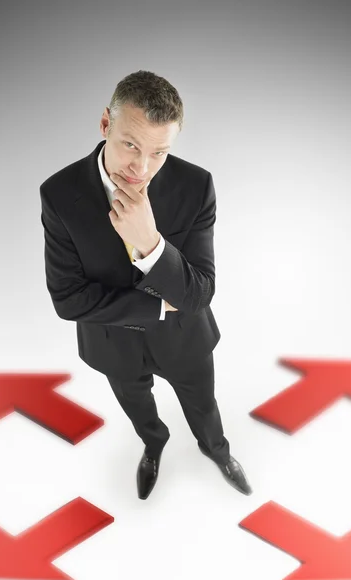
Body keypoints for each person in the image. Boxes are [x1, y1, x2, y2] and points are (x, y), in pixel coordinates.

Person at [39, 70, 252, 500]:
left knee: (205, 408)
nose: (142, 167)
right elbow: (67, 299)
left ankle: (217, 451)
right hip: (112, 345)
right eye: (130, 144)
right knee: (138, 409)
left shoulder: (196, 186)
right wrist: (157, 307)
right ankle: (154, 445)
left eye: (159, 152)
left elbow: (199, 293)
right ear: (105, 125)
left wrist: (150, 243)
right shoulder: (59, 194)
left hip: (185, 340)